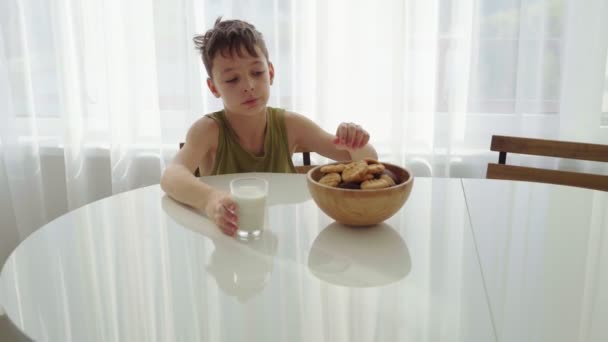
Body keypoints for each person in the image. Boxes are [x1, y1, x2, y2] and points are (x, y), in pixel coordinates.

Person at [161, 17, 378, 236]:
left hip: (279, 237)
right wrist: (211, 200)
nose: (248, 86)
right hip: (228, 238)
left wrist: (355, 141)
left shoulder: (291, 125)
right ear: (213, 87)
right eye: (232, 79)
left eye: (257, 73)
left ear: (271, 73)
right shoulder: (208, 131)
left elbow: (366, 160)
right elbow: (171, 176)